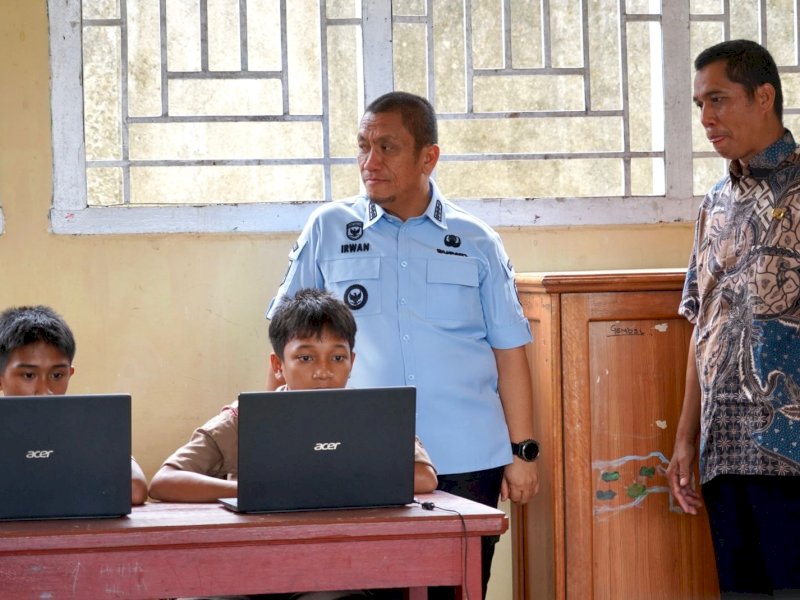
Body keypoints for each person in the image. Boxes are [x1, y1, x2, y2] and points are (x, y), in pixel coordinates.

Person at [266, 91, 539, 598]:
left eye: (387, 147)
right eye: (363, 146)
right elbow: (286, 342)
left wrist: (522, 453)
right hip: (361, 456)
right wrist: (280, 445)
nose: (370, 162)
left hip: (467, 459)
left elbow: (509, 350)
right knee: (364, 590)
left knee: (456, 590)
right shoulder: (327, 229)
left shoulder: (476, 240)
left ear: (428, 156)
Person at [667, 39, 800, 598]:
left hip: (791, 452)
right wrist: (684, 438)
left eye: (717, 100)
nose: (706, 118)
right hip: (725, 452)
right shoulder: (715, 201)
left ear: (763, 96)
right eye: (699, 104)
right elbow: (703, 325)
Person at [149, 287, 437, 502]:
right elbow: (165, 481)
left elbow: (424, 477)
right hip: (266, 556)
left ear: (352, 362)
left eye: (337, 358)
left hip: (350, 548)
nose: (323, 372)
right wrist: (257, 491)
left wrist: (318, 486)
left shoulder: (372, 415)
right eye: (306, 358)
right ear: (278, 366)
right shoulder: (248, 418)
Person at [0, 305, 148, 505]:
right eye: (28, 375)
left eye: (57, 375)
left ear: (69, 374)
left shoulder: (86, 428)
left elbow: (135, 490)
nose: (45, 391)